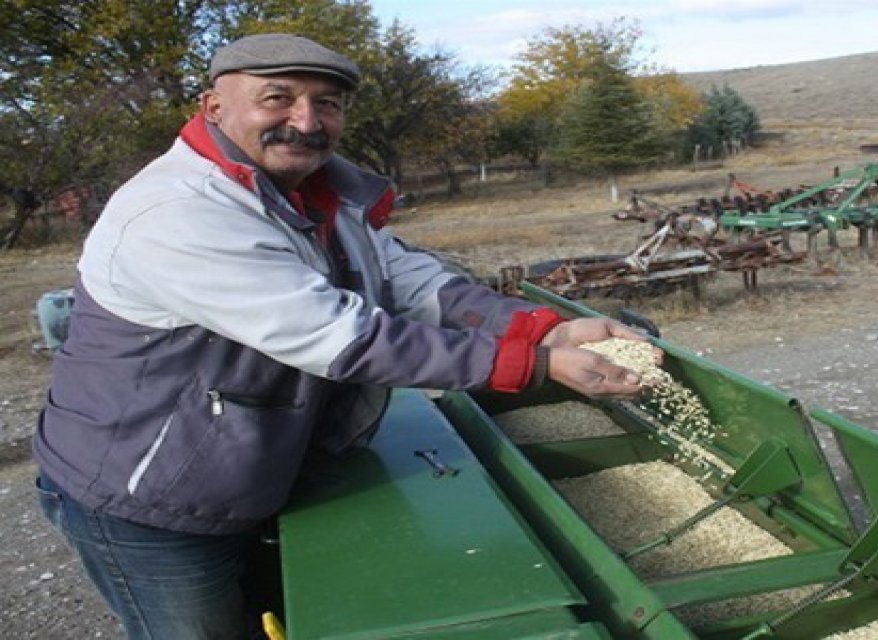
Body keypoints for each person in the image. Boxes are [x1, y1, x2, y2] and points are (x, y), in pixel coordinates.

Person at [32, 33, 653, 639]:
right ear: (214, 106)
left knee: (266, 614)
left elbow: (411, 280)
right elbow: (343, 340)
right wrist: (537, 364)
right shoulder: (179, 212)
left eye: (326, 104)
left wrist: (547, 326)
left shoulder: (314, 194)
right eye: (278, 99)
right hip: (150, 494)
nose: (305, 122)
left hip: (239, 463)